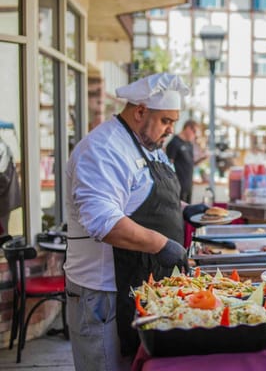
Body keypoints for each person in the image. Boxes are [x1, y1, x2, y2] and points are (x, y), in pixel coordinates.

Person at [64, 73, 192, 371]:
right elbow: (103, 222)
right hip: (104, 292)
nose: (171, 130)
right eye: (165, 121)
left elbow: (146, 198)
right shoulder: (102, 149)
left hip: (139, 285)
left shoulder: (147, 145)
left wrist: (187, 209)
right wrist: (162, 244)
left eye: (174, 121)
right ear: (140, 111)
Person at [166, 119, 208, 202]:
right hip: (177, 188)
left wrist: (202, 159)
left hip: (188, 186)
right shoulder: (174, 143)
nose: (195, 135)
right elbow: (167, 167)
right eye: (194, 132)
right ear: (188, 128)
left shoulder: (189, 144)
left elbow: (190, 164)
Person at [0, 136, 21, 235]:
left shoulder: (2, 148)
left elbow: (3, 176)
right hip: (5, 198)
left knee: (3, 231)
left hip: (3, 199)